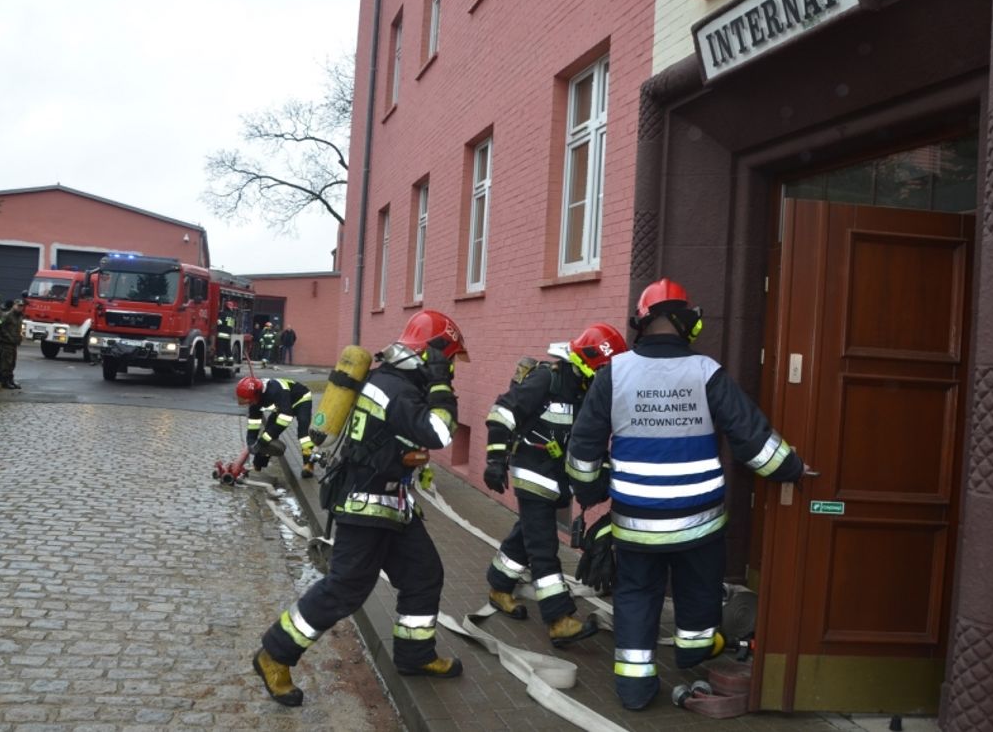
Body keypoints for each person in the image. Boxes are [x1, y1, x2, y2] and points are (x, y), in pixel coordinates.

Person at [565, 278, 808, 711]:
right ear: (687, 323)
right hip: (700, 523)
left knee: (636, 595)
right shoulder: (706, 372)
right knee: (698, 592)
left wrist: (592, 490)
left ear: (642, 324)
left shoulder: (613, 374)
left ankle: (634, 689)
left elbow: (582, 449)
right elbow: (751, 438)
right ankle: (693, 653)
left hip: (636, 522)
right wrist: (791, 469)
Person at [252, 309, 468, 706]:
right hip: (367, 503)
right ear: (433, 355)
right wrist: (440, 386)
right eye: (449, 359)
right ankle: (275, 653)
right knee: (346, 588)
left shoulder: (394, 382)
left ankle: (414, 655)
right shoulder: (397, 389)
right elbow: (438, 432)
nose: (452, 368)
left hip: (392, 503)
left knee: (423, 575)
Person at [483, 323, 627, 648]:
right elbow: (503, 411)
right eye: (606, 371)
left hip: (555, 480)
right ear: (590, 363)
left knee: (527, 535)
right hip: (532, 474)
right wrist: (495, 459)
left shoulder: (586, 392)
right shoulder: (547, 378)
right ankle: (559, 619)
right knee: (543, 548)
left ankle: (498, 585)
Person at [236, 376, 318, 480]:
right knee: (267, 434)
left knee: (303, 435)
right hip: (282, 406)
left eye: (250, 401)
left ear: (256, 394)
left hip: (300, 399)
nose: (250, 404)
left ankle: (308, 465)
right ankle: (257, 466)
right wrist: (251, 442)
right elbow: (254, 423)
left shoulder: (275, 391)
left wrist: (263, 440)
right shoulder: (255, 399)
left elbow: (286, 418)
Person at [0, 298, 26, 389]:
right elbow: (1, 327)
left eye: (21, 306)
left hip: (14, 342)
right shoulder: (8, 315)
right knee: (6, 361)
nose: (20, 308)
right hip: (6, 342)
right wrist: (8, 337)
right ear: (14, 305)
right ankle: (4, 380)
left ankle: (10, 379)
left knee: (12, 362)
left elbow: (19, 328)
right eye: (18, 306)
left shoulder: (20, 316)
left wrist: (20, 337)